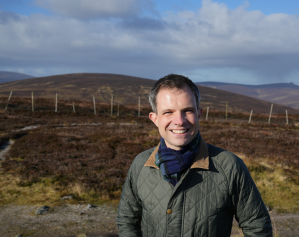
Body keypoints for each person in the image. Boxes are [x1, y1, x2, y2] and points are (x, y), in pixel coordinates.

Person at [116, 74, 272, 237]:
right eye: (168, 112)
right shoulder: (141, 165)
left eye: (188, 111)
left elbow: (258, 228)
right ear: (154, 119)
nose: (179, 121)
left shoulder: (230, 167)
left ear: (199, 114)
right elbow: (127, 221)